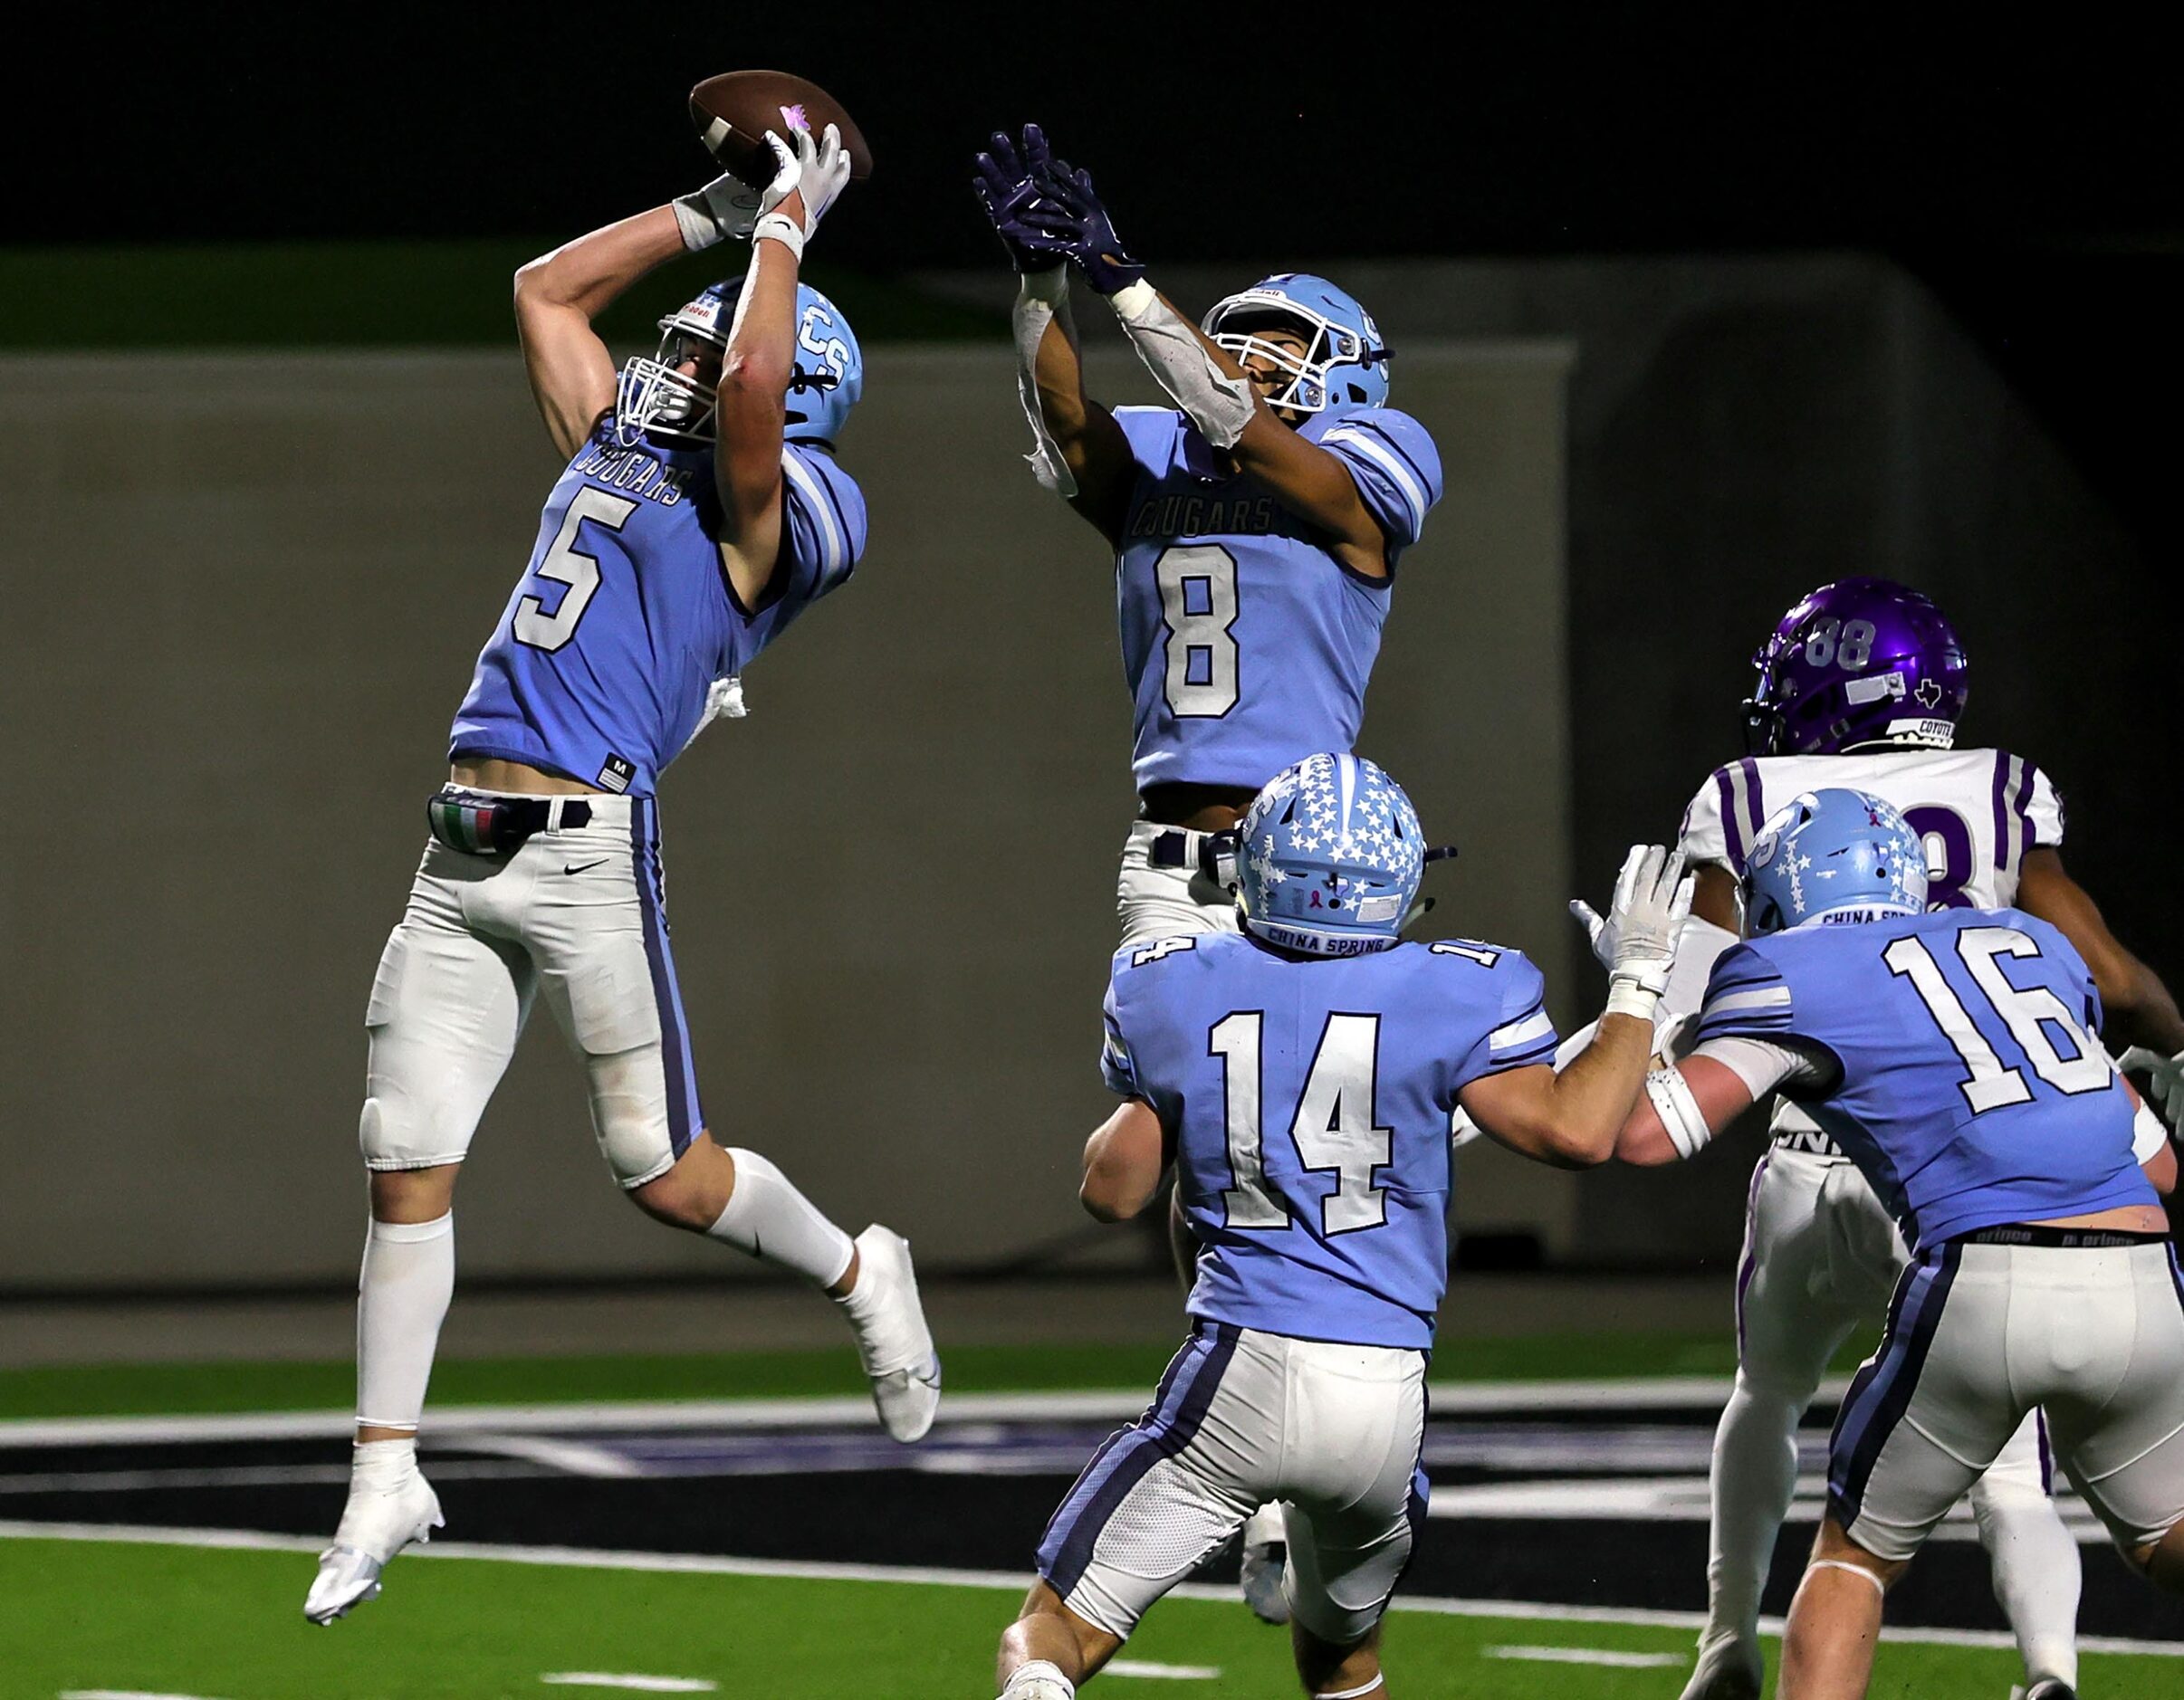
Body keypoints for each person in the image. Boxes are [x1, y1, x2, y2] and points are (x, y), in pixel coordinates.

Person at [304, 118, 939, 1627]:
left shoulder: (788, 509)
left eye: (699, 354)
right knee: (403, 1150)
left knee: (660, 1170)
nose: (668, 363)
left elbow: (757, 398)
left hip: (593, 849)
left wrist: (787, 233)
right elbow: (543, 291)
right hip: (458, 848)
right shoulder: (615, 441)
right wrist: (714, 210)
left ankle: (858, 1268)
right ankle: (383, 1469)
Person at [973, 121, 1444, 1618]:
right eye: (1236, 341)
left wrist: (1122, 282)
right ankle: (1237, 1423)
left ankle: (1316, 1436)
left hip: (1319, 861)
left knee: (1309, 1148)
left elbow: (1255, 442)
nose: (1249, 362)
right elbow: (1069, 434)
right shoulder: (1174, 450)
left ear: (1350, 364)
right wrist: (1037, 278)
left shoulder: (1373, 458)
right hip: (1170, 851)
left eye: (1282, 342)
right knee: (1189, 1155)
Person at [991, 752, 1691, 1700]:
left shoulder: (1173, 985)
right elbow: (1577, 1129)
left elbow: (1113, 1193)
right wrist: (1639, 986)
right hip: (1383, 1401)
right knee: (1342, 1664)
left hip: (1238, 1378)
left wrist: (1175, 1103)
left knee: (1051, 1628)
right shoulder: (1463, 987)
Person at [1624, 577, 2184, 1700]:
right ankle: (2050, 1669)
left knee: (1779, 1408)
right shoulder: (2008, 831)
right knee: (2024, 1468)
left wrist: (1619, 1011)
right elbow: (2116, 984)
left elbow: (1681, 1033)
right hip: (2034, 1144)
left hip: (1828, 1153)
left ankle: (1724, 1646)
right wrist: (2162, 1047)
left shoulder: (1750, 804)